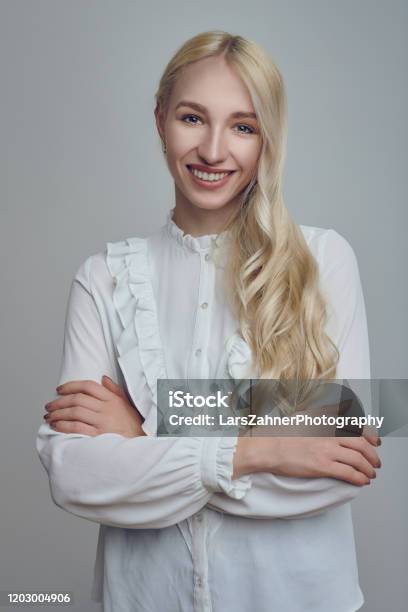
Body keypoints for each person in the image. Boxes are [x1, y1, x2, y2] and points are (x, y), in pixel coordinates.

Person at [36, 30, 381, 612]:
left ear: (267, 137)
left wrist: (149, 424)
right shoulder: (103, 277)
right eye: (193, 118)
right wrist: (260, 449)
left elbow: (345, 452)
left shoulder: (324, 259)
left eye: (243, 126)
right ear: (159, 119)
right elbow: (75, 476)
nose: (215, 150)